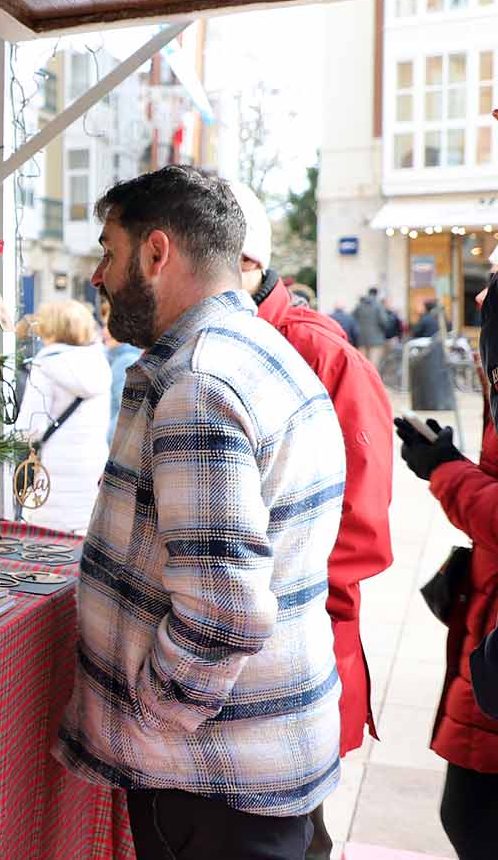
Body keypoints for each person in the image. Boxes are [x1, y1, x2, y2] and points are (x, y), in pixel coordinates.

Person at [56, 166, 344, 860]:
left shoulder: (199, 381)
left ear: (157, 253)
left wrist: (155, 713)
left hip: (212, 786)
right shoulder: (263, 355)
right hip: (245, 773)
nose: (98, 274)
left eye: (109, 251)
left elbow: (224, 612)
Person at [228, 182, 395, 860]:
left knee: (294, 836)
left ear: (240, 263)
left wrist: (268, 601)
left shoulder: (319, 351)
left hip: (295, 656)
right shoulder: (231, 337)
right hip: (249, 660)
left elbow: (363, 526)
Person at [394, 271, 498, 860]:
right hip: (483, 618)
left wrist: (444, 469)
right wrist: (453, 461)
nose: (482, 296)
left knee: (472, 818)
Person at [11, 299, 111, 533]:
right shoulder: (100, 365)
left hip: (54, 474)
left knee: (49, 549)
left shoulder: (46, 366)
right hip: (92, 469)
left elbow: (29, 429)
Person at [97, 297, 142, 443]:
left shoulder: (126, 360)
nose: (104, 332)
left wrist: (106, 444)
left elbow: (123, 414)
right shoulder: (118, 358)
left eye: (107, 326)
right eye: (103, 326)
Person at [353, 287, 390, 363]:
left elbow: (353, 320)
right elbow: (384, 321)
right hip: (376, 340)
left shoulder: (359, 305)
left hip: (361, 339)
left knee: (362, 364)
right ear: (376, 294)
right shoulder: (378, 305)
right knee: (373, 365)